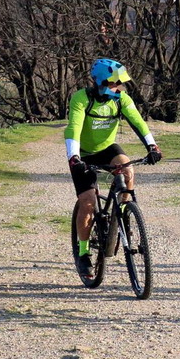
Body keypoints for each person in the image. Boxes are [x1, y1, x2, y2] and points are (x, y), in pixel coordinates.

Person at [65, 58, 162, 277]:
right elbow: (74, 128)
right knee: (88, 203)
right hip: (83, 154)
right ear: (99, 82)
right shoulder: (81, 99)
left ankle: (124, 215)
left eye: (120, 84)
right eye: (113, 83)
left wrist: (152, 146)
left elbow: (138, 122)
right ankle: (83, 253)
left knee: (127, 170)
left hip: (107, 148)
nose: (118, 88)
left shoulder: (121, 99)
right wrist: (74, 156)